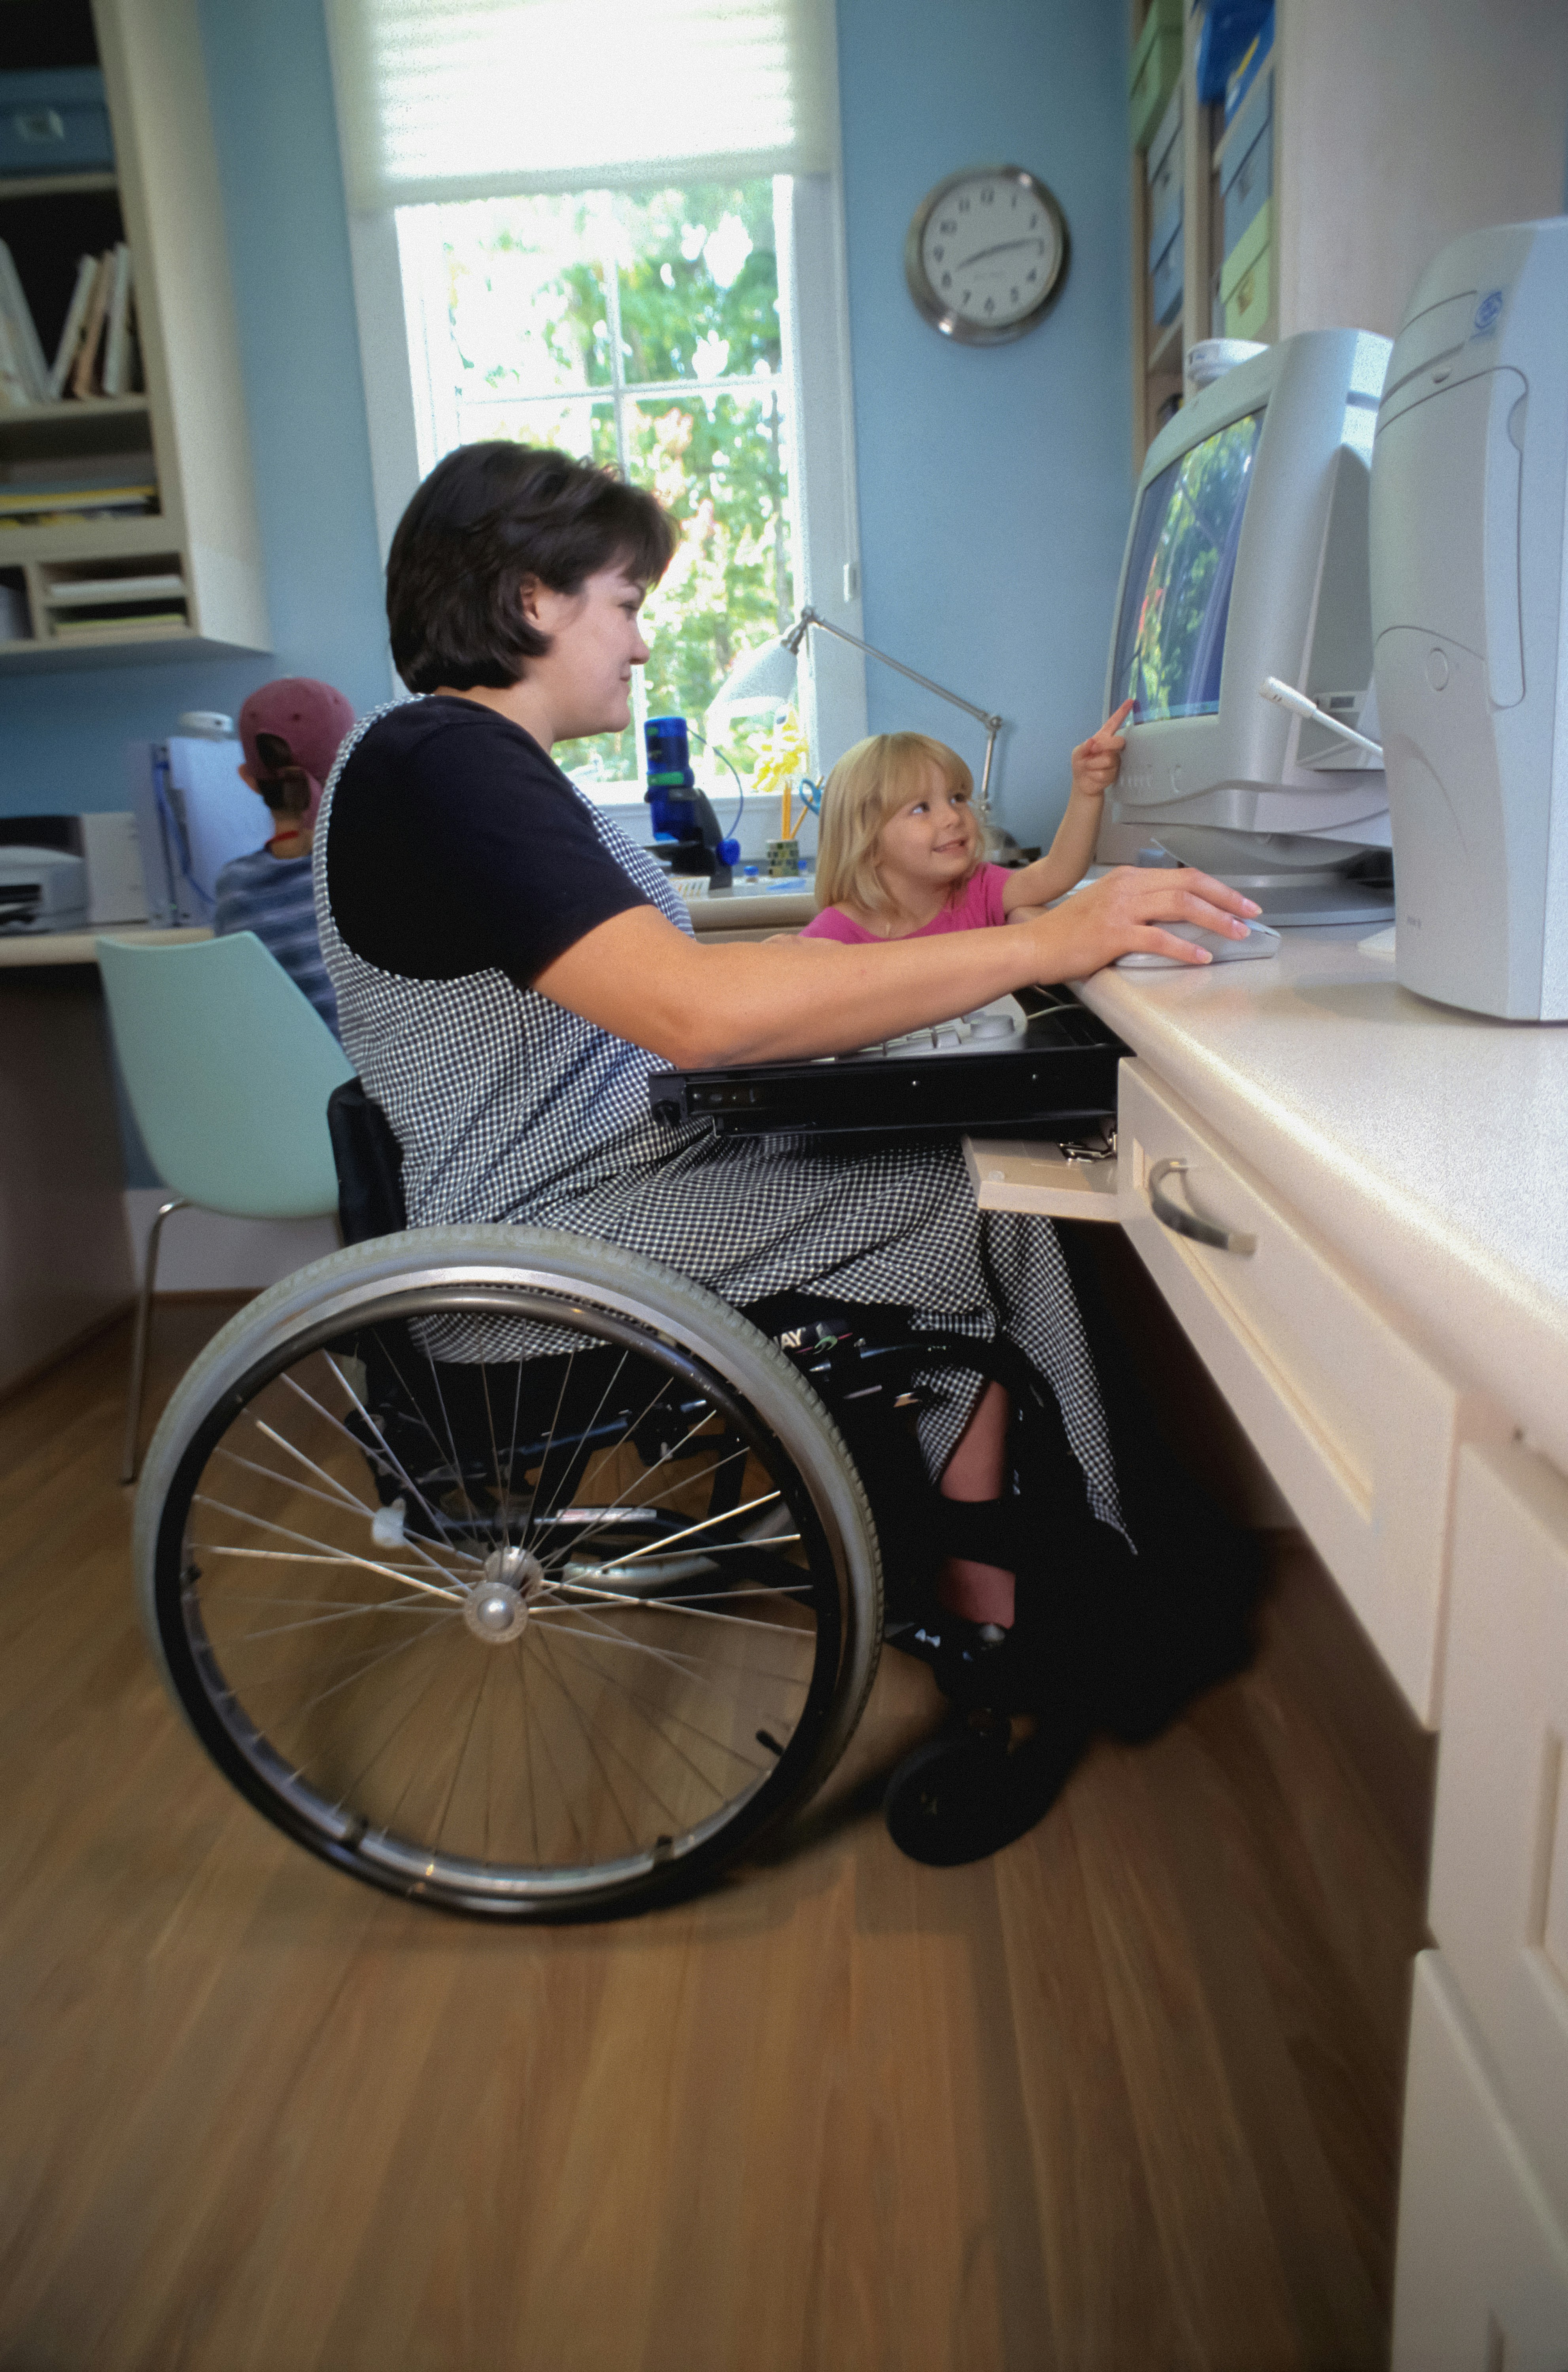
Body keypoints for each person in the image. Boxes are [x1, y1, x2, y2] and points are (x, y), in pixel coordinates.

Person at [314, 442, 1258, 1720]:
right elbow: (695, 1014)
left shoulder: (465, 770)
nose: (640, 645)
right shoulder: (447, 764)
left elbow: (665, 994)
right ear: (531, 598)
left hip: (602, 1191)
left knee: (970, 1180)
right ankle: (1024, 1588)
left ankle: (1029, 1561)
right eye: (626, 602)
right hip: (550, 1242)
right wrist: (1042, 939)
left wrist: (906, 963)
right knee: (963, 1190)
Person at [801, 712, 1134, 946]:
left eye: (957, 798)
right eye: (921, 808)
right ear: (868, 844)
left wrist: (1087, 791)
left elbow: (1058, 872)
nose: (952, 817)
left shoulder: (978, 890)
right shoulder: (834, 935)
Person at [213, 677, 354, 1039]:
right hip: (389, 1089)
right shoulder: (384, 868)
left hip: (296, 1089)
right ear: (353, 765)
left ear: (248, 779)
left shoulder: (234, 888)